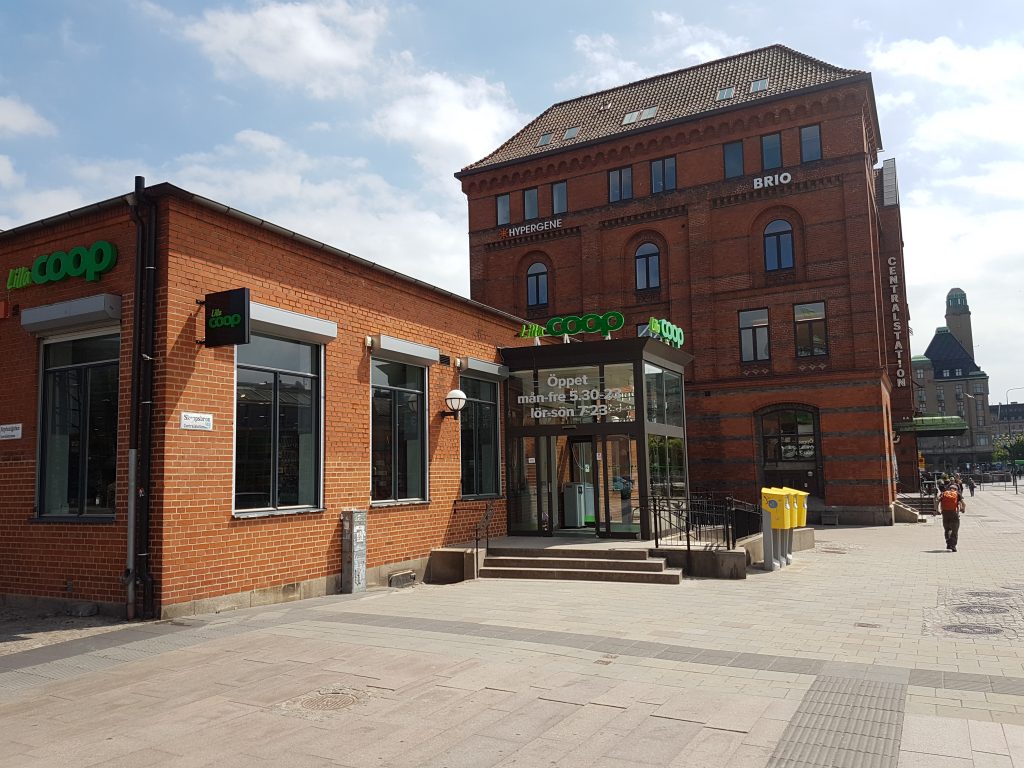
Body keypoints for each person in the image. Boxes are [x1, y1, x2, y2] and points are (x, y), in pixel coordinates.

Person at [938, 481, 963, 551]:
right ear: (956, 489)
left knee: (947, 529)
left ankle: (948, 543)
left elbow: (937, 501)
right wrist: (962, 509)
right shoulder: (957, 494)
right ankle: (953, 545)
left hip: (945, 513)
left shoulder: (943, 493)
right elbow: (963, 503)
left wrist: (936, 510)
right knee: (955, 531)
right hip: (954, 514)